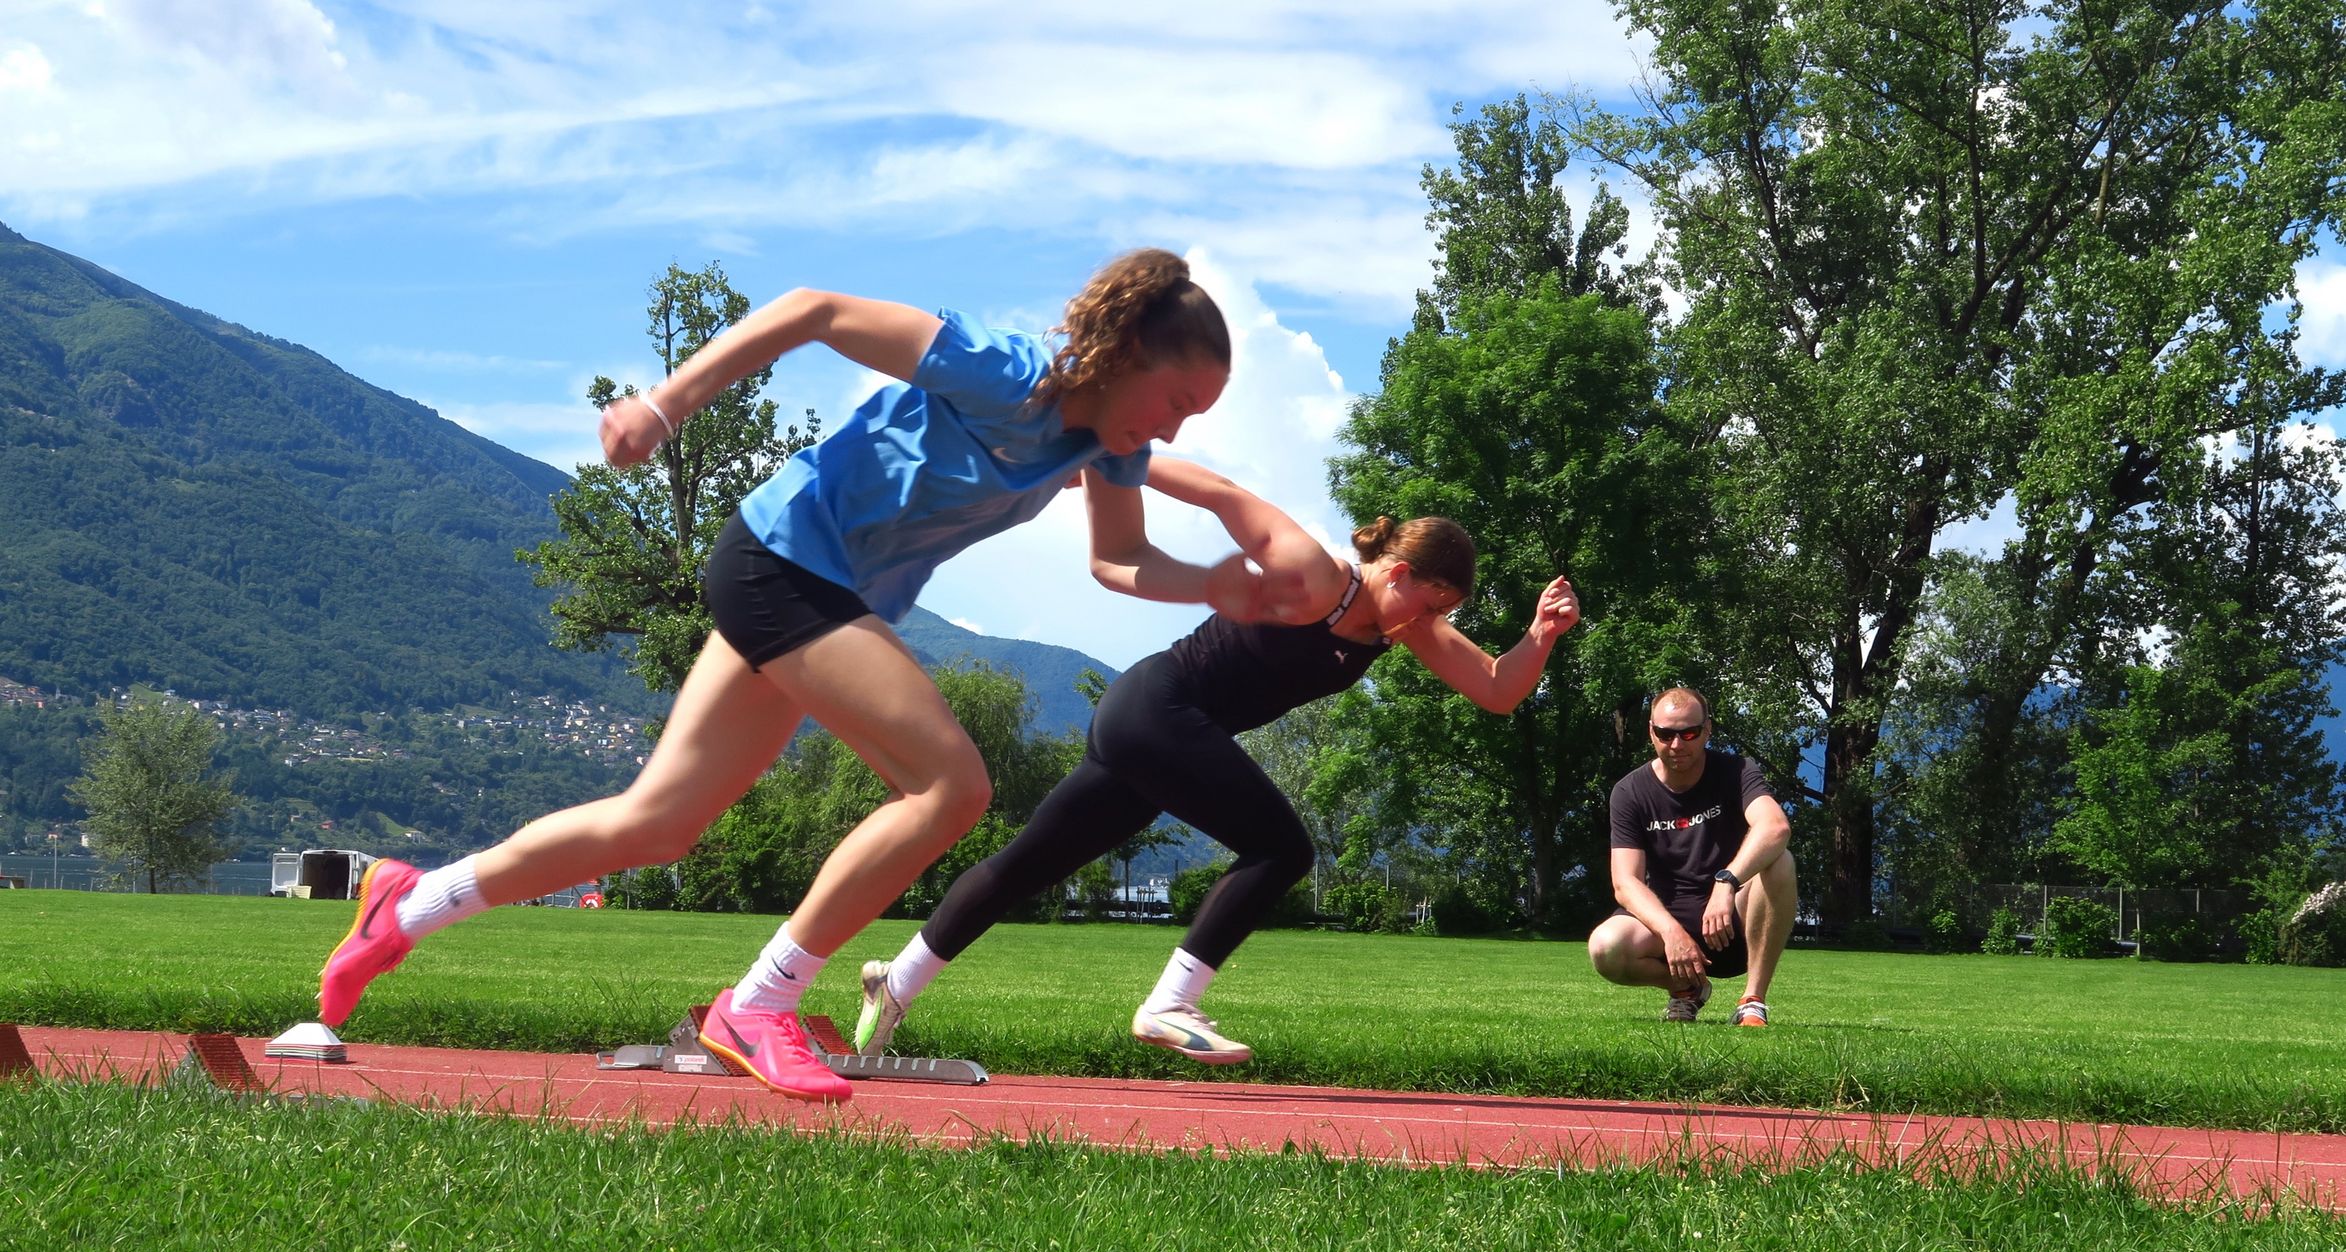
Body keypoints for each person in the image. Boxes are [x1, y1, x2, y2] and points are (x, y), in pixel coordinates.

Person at [317, 250, 1269, 1102]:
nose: (1175, 429)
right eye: (1178, 402)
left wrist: (1215, 585)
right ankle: (761, 1002)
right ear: (1126, 353)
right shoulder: (1002, 370)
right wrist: (663, 406)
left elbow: (1120, 560)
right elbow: (814, 309)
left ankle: (408, 904)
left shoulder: (1110, 449)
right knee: (949, 786)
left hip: (816, 592)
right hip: (783, 562)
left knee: (658, 822)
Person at [853, 458, 1581, 1065]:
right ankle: (1170, 1004)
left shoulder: (1398, 628)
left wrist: (1541, 635)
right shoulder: (1318, 576)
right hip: (1157, 708)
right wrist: (1114, 461)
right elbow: (1223, 494)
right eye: (1430, 604)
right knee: (1281, 848)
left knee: (1028, 865)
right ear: (1397, 572)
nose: (1431, 622)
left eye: (1442, 613)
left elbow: (1497, 689)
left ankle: (895, 983)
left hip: (1154, 732)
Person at [1586, 686, 1795, 1025]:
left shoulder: (1737, 771)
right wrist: (1670, 932)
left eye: (1689, 733)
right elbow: (1625, 883)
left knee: (1781, 861)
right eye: (1665, 734)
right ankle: (1686, 989)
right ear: (1651, 732)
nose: (1676, 745)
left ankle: (1752, 1001)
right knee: (1605, 946)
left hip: (1734, 918)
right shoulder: (1629, 791)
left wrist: (1726, 883)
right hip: (1668, 922)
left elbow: (1775, 827)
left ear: (1707, 730)